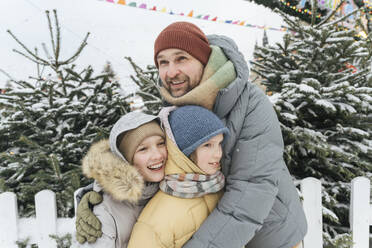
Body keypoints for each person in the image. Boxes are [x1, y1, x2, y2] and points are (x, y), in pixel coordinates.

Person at [76, 21, 308, 248]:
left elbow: (251, 191)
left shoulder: (250, 103)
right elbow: (141, 152)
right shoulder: (174, 103)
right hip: (211, 230)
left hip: (270, 236)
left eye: (181, 59)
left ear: (204, 60)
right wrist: (102, 197)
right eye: (163, 62)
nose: (171, 71)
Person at [128, 105, 228, 248]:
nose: (218, 153)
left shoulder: (219, 186)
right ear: (183, 153)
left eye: (219, 144)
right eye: (207, 145)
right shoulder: (154, 223)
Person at [76, 111, 167, 247]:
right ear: (126, 160)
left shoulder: (172, 185)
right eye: (143, 149)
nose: (157, 155)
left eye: (161, 143)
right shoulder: (105, 212)